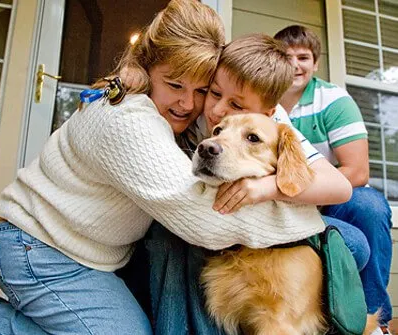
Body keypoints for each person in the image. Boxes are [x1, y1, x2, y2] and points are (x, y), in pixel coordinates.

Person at [0, 2, 340, 334]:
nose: (191, 105)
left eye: (202, 90)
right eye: (174, 85)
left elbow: (330, 180)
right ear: (148, 69)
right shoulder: (126, 119)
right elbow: (206, 222)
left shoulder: (215, 116)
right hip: (37, 249)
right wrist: (313, 227)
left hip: (101, 257)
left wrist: (272, 188)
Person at [133, 33, 371, 334]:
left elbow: (339, 186)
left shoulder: (274, 124)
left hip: (267, 229)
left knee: (353, 243)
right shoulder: (193, 108)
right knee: (175, 238)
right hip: (193, 226)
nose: (218, 111)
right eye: (215, 93)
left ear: (266, 112)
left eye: (237, 105)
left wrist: (267, 188)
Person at [274, 25, 393, 335]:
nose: (295, 64)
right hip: (277, 198)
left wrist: (305, 193)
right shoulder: (262, 97)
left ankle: (374, 320)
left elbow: (357, 171)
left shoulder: (333, 100)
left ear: (315, 64)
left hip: (330, 200)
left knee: (370, 205)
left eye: (304, 57)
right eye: (286, 57)